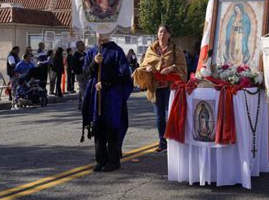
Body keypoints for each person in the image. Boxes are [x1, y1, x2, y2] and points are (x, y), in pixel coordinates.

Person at [82, 34, 133, 172]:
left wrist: (105, 82)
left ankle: (113, 161)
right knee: (98, 127)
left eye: (104, 32)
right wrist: (94, 63)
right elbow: (85, 73)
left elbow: (124, 75)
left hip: (112, 96)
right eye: (99, 32)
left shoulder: (117, 51)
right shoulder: (92, 51)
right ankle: (101, 160)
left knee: (111, 127)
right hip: (96, 96)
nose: (101, 35)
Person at [139, 25, 187, 153]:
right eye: (160, 32)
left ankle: (174, 140)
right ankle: (162, 142)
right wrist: (147, 68)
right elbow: (143, 66)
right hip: (156, 87)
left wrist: (171, 68)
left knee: (171, 114)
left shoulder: (176, 49)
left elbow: (182, 67)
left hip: (170, 87)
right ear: (157, 34)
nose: (162, 34)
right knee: (159, 117)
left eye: (165, 32)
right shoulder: (151, 49)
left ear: (169, 35)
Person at [72, 41, 87, 110]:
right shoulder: (76, 55)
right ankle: (85, 106)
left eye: (83, 45)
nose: (83, 47)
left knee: (81, 91)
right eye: (81, 45)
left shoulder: (85, 54)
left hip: (86, 74)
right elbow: (74, 66)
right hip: (80, 75)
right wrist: (78, 74)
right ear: (78, 47)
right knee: (84, 91)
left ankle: (80, 105)